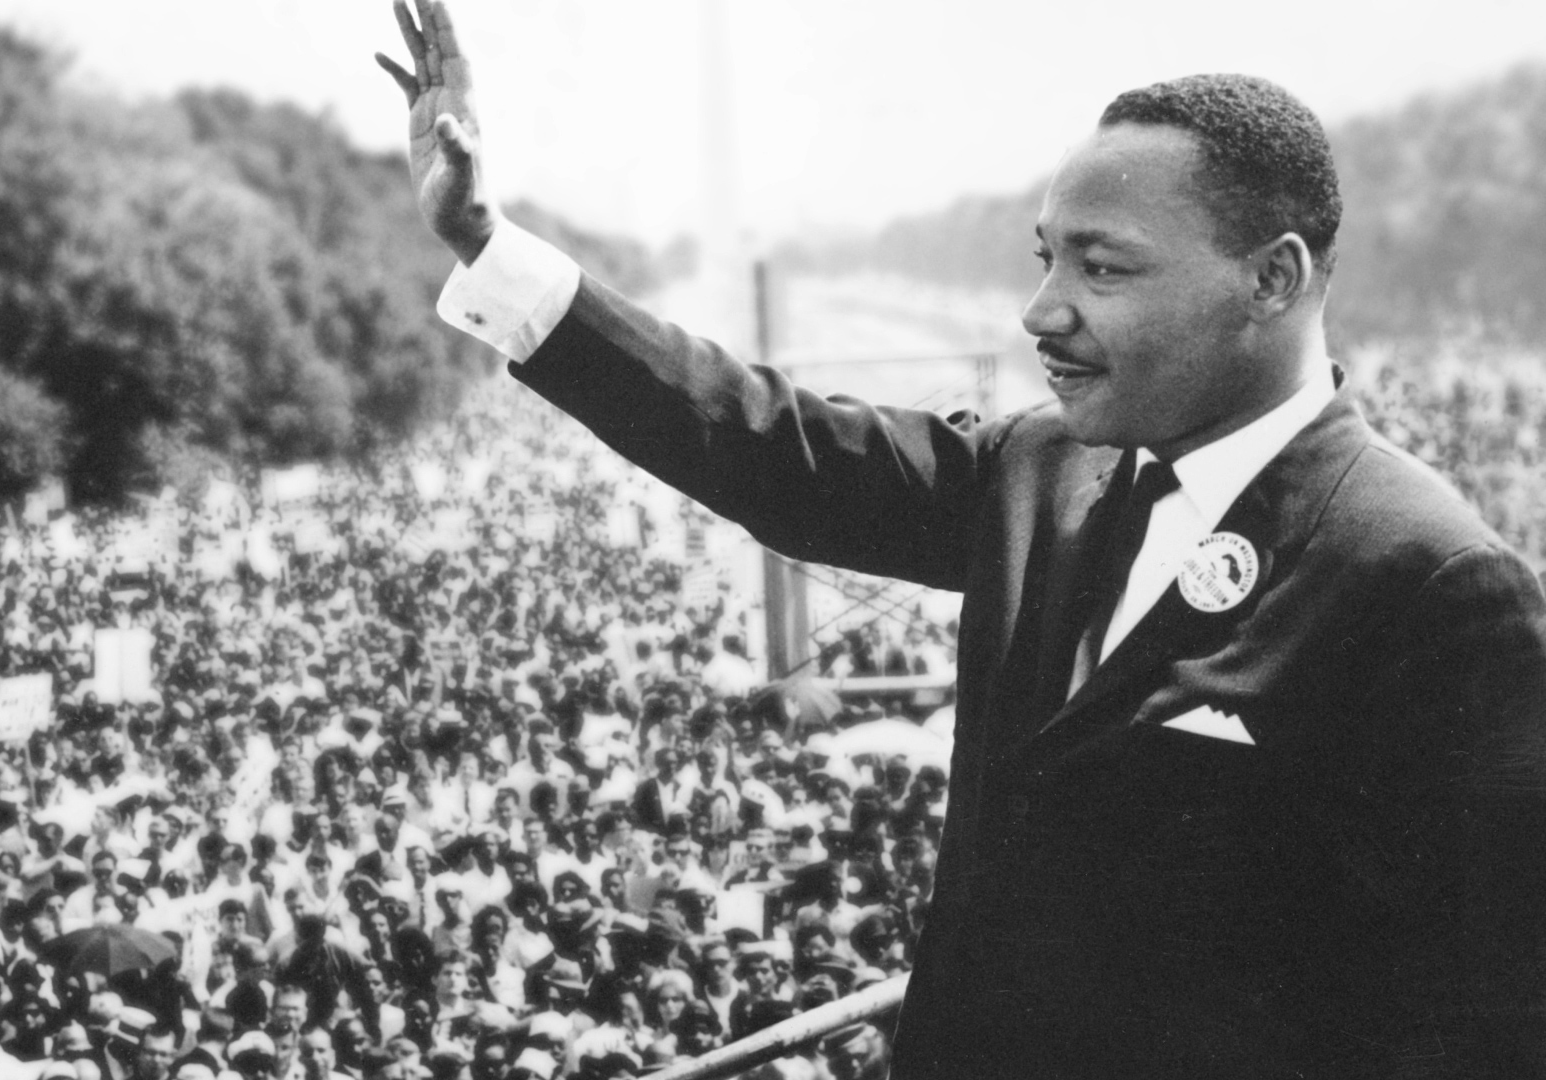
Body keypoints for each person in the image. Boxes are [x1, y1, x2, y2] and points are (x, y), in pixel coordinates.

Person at [376, 3, 1546, 1076]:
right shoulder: (1039, 468)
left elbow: (1479, 1025)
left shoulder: (1432, 583)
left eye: (1103, 266)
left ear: (1272, 280)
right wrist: (487, 243)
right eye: (1046, 258)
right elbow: (765, 446)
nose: (1042, 311)